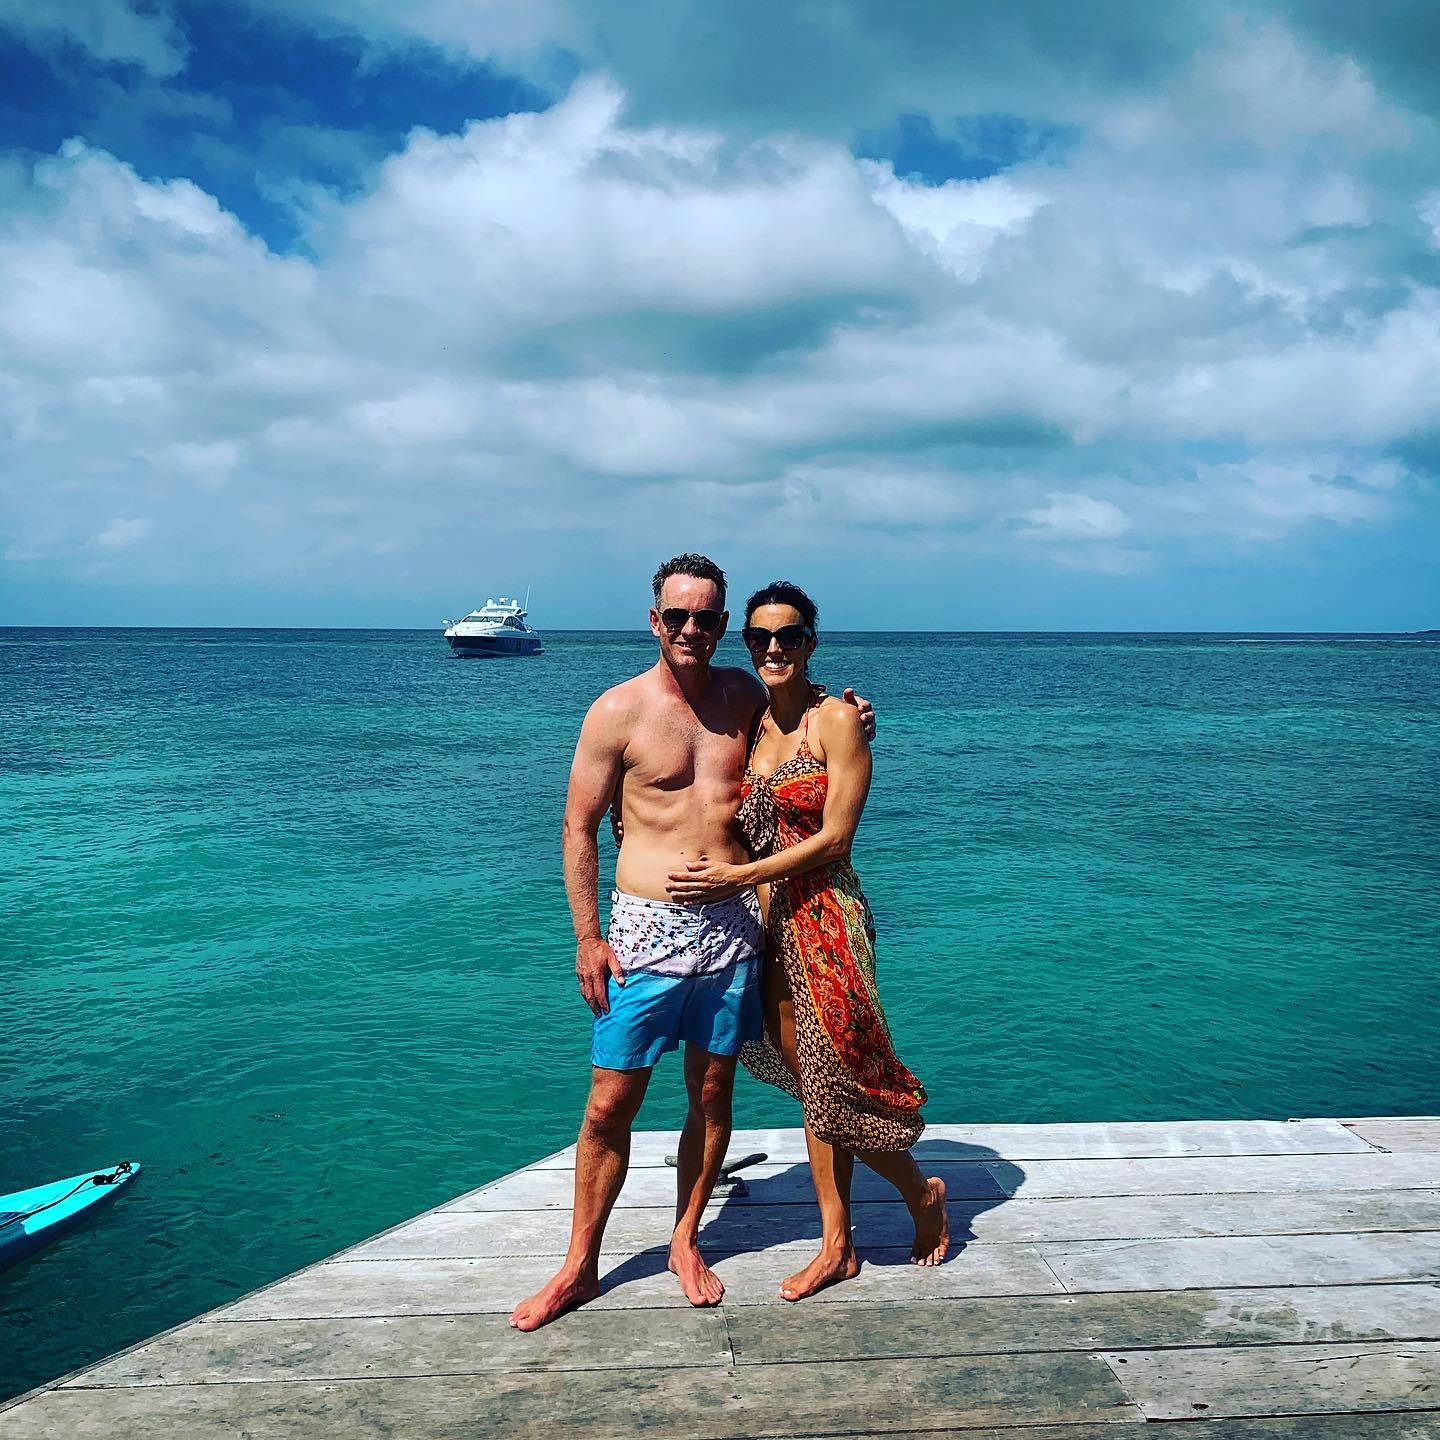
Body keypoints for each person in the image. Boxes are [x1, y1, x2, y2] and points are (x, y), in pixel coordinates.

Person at [509, 555, 874, 1331]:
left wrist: (855, 715)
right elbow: (577, 828)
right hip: (643, 933)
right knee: (610, 1103)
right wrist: (586, 938)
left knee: (712, 1095)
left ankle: (684, 1240)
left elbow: (805, 720)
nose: (691, 630)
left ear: (723, 627)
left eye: (707, 619)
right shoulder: (617, 711)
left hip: (732, 933)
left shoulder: (745, 696)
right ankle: (579, 1265)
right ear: (654, 620)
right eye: (678, 617)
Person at [665, 580, 946, 1301]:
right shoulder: (754, 722)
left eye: (789, 635)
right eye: (760, 637)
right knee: (814, 1083)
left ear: (812, 642)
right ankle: (841, 1242)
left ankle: (916, 1195)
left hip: (824, 918)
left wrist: (741, 874)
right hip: (765, 923)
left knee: (838, 1075)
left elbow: (835, 837)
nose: (774, 647)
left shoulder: (837, 722)